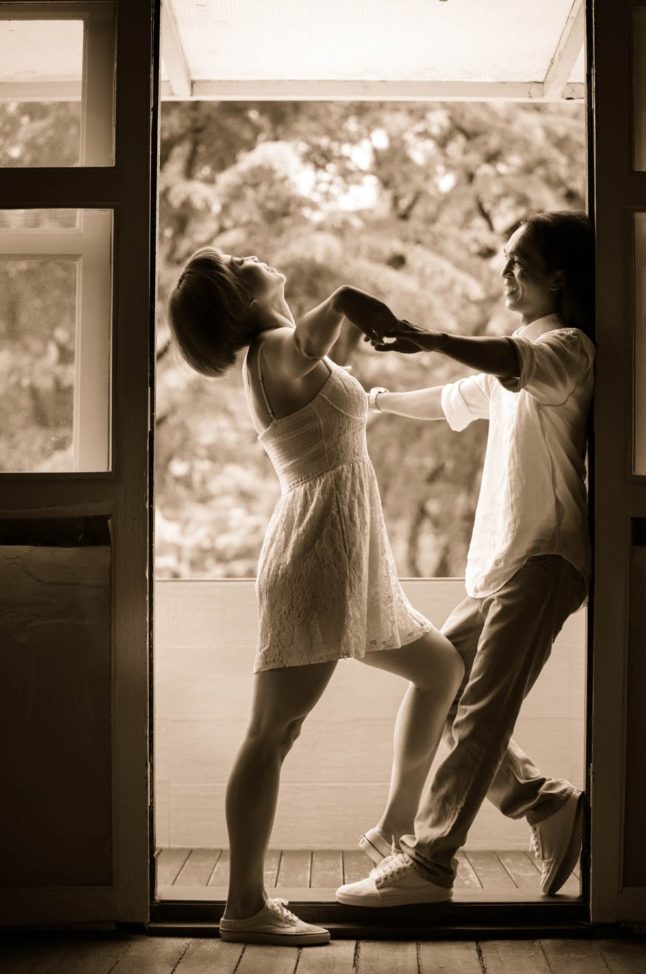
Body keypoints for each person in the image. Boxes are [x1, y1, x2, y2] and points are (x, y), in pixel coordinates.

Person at [167, 248, 464, 945]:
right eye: (239, 264)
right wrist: (393, 325)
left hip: (347, 563)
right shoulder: (274, 347)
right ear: (239, 303)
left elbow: (338, 402)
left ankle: (394, 825)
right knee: (271, 734)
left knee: (441, 670)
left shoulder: (277, 358)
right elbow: (347, 299)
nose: (253, 256)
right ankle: (244, 908)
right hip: (316, 563)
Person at [336, 210, 595, 907]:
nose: (506, 272)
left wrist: (425, 335)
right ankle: (547, 804)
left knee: (479, 712)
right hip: (502, 565)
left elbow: (507, 360)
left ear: (558, 276)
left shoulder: (568, 352)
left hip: (546, 557)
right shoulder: (513, 367)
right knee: (443, 685)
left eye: (519, 262)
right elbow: (451, 398)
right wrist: (374, 400)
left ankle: (429, 863)